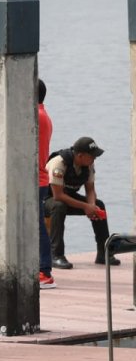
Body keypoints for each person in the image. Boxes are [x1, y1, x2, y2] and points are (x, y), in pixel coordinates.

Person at [46, 137, 117, 269]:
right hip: (46, 200)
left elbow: (90, 190)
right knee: (59, 206)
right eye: (92, 156)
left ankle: (103, 253)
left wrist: (92, 207)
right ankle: (56, 255)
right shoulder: (59, 163)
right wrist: (85, 206)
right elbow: (58, 195)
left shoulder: (88, 164)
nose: (94, 159)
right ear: (80, 156)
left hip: (68, 197)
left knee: (99, 205)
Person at [37, 80, 56, 289]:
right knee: (35, 223)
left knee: (37, 224)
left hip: (37, 178)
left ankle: (45, 270)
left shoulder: (37, 116)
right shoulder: (42, 114)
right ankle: (40, 267)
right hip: (39, 178)